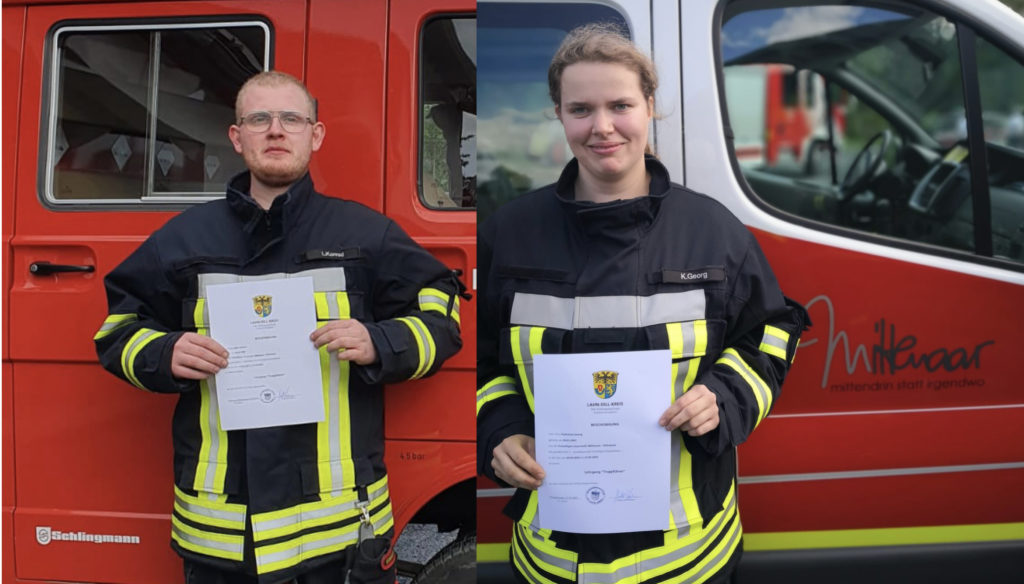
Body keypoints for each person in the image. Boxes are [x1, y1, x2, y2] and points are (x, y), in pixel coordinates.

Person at [94, 71, 464, 584]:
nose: (275, 130)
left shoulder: (365, 234)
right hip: (223, 535)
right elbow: (116, 329)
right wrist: (164, 353)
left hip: (337, 534)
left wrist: (380, 342)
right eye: (259, 119)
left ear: (315, 135)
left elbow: (441, 309)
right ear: (236, 136)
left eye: (291, 118)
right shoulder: (181, 240)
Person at [476, 24, 810, 584]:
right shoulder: (508, 236)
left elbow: (772, 332)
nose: (602, 126)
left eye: (621, 105)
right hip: (551, 562)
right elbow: (484, 361)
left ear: (650, 107)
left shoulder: (712, 231)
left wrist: (722, 397)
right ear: (558, 114)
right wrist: (501, 430)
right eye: (581, 108)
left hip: (690, 560)